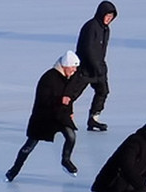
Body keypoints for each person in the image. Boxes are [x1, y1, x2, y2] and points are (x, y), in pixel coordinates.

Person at [6, 50, 87, 181]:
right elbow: (43, 99)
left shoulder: (68, 78)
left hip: (60, 116)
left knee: (71, 136)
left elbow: (68, 96)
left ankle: (66, 161)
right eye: (73, 67)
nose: (74, 70)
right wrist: (60, 100)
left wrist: (70, 111)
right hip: (43, 117)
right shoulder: (48, 78)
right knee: (29, 146)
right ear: (66, 65)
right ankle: (13, 171)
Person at [76, 0, 118, 132]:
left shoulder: (106, 29)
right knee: (71, 95)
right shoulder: (91, 27)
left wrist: (102, 67)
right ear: (101, 14)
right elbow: (87, 49)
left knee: (103, 91)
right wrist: (95, 65)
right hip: (85, 68)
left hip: (98, 68)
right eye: (107, 16)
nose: (108, 19)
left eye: (111, 17)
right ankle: (57, 119)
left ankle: (94, 119)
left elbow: (101, 50)